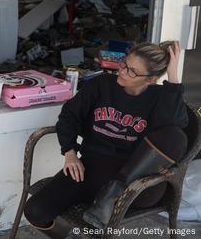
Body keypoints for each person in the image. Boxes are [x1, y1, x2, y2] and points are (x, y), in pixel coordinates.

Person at [23, 41, 189, 238]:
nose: (123, 72)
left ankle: (112, 195)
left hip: (134, 184)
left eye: (133, 71)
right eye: (124, 64)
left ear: (151, 79)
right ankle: (87, 222)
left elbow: (176, 127)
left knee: (176, 135)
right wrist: (69, 152)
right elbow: (69, 116)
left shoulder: (161, 97)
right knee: (35, 211)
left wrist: (173, 77)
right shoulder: (101, 85)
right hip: (89, 169)